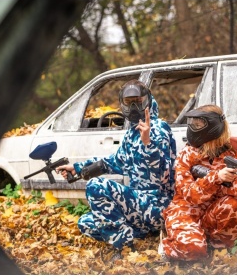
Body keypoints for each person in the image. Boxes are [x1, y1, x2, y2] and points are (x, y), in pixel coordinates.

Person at [56, 79, 177, 251]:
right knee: (85, 223)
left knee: (95, 186)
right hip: (138, 208)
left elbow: (163, 174)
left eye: (138, 102)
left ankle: (123, 244)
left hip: (158, 205)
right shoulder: (133, 131)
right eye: (129, 103)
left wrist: (148, 143)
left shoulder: (158, 128)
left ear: (147, 101)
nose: (134, 107)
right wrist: (77, 168)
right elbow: (115, 162)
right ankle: (135, 231)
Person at [159, 104, 237, 261]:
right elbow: (191, 196)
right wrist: (216, 177)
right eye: (192, 124)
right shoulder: (187, 154)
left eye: (198, 124)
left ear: (213, 127)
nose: (193, 127)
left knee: (233, 204)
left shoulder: (231, 154)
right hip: (186, 212)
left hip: (211, 212)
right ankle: (169, 245)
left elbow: (230, 192)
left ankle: (217, 246)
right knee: (193, 249)